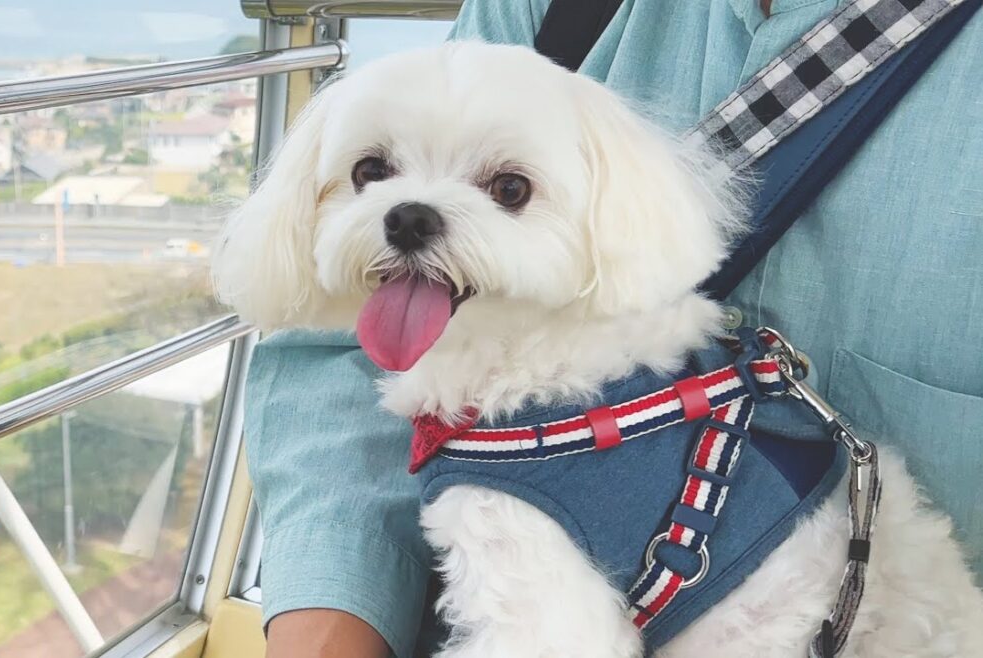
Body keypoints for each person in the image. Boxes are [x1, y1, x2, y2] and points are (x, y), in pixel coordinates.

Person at [244, 1, 983, 656]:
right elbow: (332, 351)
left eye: (506, 189)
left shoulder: (522, 463)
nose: (408, 214)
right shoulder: (539, 14)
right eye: (374, 172)